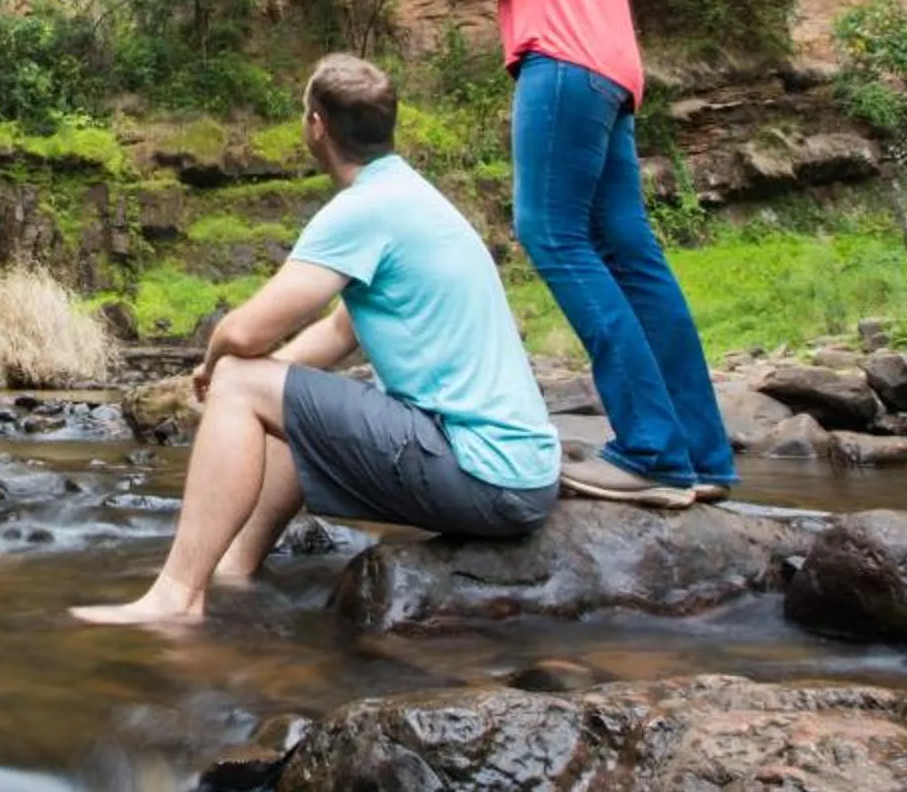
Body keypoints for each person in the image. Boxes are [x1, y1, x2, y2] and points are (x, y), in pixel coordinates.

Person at [69, 53, 559, 626]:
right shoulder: (413, 196)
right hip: (518, 474)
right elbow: (339, 332)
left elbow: (244, 329)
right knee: (273, 401)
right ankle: (232, 570)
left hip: (482, 474)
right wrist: (263, 386)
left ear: (316, 125)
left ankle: (175, 597)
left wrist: (214, 369)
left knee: (242, 384)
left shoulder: (362, 209)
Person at [467, 0, 734, 508]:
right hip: (614, 69)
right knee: (630, 252)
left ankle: (650, 451)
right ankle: (701, 454)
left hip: (562, 59)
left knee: (552, 234)